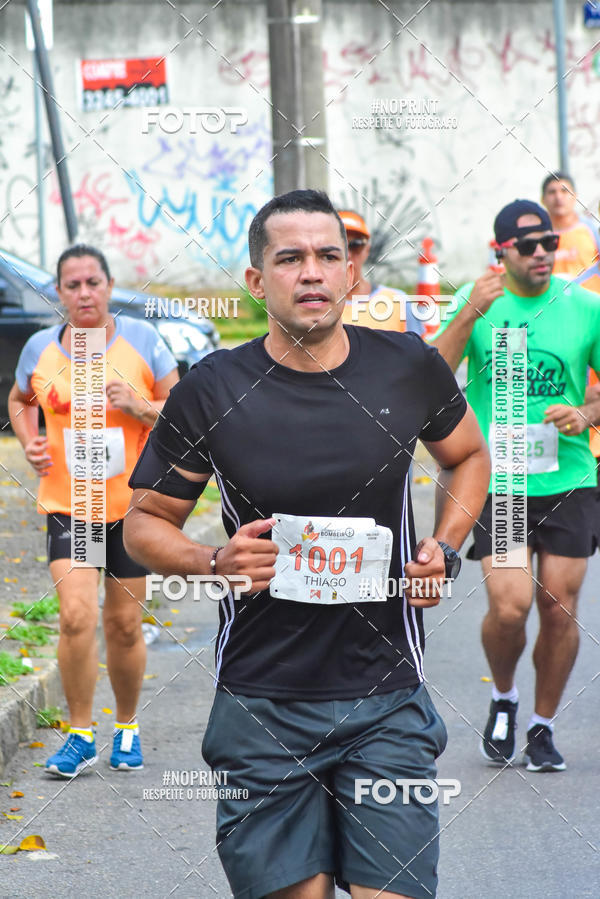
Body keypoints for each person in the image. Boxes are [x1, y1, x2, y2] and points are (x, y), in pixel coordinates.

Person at [124, 189, 490, 899]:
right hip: (263, 705)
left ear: (353, 274)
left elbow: (468, 456)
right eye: (290, 258)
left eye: (330, 255)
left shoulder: (408, 366)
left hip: (385, 697)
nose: (313, 272)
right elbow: (142, 522)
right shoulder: (211, 388)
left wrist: (444, 544)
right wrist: (211, 560)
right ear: (258, 282)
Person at [431, 199, 600, 772]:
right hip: (499, 481)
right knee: (511, 607)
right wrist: (467, 314)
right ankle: (504, 697)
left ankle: (543, 726)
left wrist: (586, 411)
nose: (542, 254)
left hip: (570, 478)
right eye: (527, 246)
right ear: (500, 252)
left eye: (549, 242)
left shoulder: (585, 308)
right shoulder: (477, 303)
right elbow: (426, 376)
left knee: (559, 605)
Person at [8, 244, 179, 778]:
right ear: (59, 293)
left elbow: (182, 413)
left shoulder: (144, 342)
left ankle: (126, 725)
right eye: (72, 285)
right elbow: (19, 400)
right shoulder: (40, 347)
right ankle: (80, 734)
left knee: (124, 625)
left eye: (92, 283)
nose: (84, 293)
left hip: (133, 510)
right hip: (71, 508)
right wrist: (30, 440)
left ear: (108, 286)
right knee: (76, 616)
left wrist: (139, 406)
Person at [338, 209, 424, 335]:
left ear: (367, 250)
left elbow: (420, 353)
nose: (348, 254)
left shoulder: (398, 302)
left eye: (356, 245)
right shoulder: (317, 308)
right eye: (340, 246)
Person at [541, 171, 600, 292]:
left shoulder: (593, 229)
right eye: (552, 192)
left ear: (575, 196)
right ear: (543, 200)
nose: (558, 197)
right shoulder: (536, 238)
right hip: (552, 305)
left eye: (564, 191)